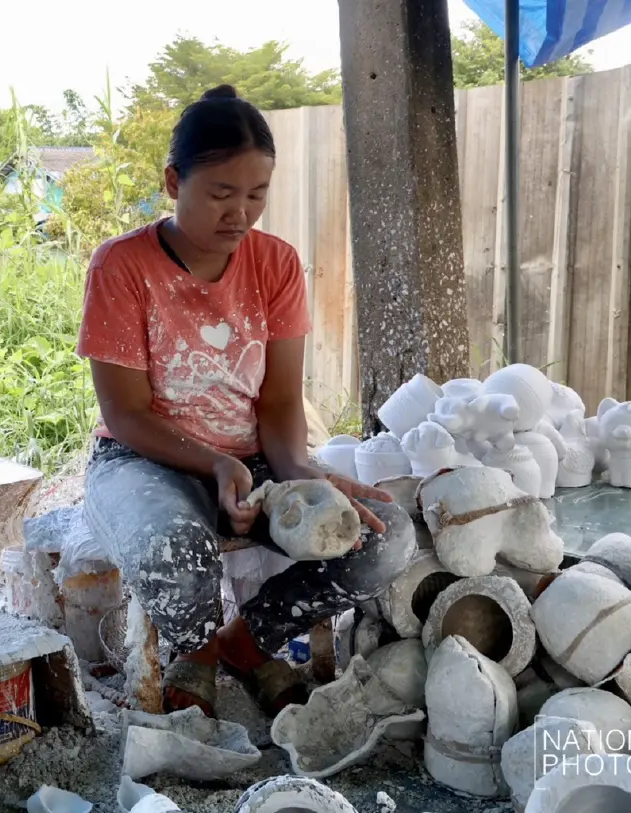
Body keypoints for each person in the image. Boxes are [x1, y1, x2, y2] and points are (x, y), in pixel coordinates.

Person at [75, 85, 415, 717]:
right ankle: (201, 653)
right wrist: (214, 465)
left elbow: (281, 398)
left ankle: (244, 641)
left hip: (253, 463)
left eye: (256, 195)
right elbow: (125, 412)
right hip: (141, 462)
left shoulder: (276, 264)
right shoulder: (122, 266)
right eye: (221, 194)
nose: (241, 214)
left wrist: (300, 476)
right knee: (173, 553)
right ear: (174, 181)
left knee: (383, 537)